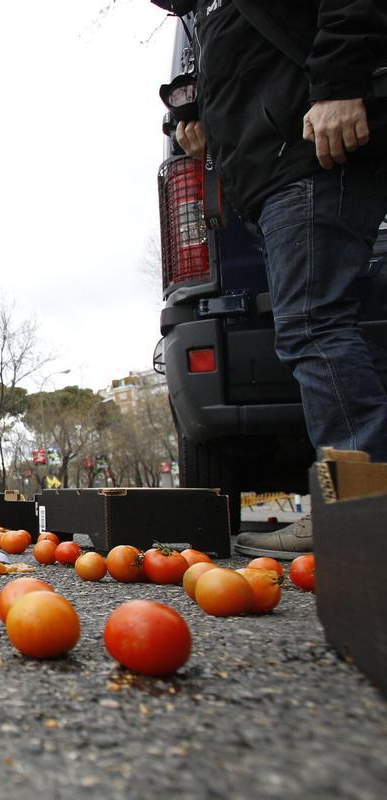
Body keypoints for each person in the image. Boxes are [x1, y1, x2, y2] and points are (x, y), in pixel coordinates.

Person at [159, 0, 387, 557]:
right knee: (320, 328)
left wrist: (338, 84)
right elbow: (252, 70)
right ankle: (358, 503)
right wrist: (208, 127)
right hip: (269, 178)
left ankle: (355, 510)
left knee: (313, 327)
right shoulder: (206, 15)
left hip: (309, 160)